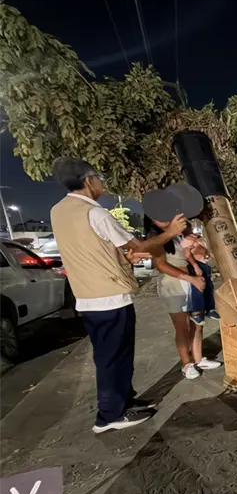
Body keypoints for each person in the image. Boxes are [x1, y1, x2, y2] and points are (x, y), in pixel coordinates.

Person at [50, 157, 187, 433]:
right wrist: (171, 232)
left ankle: (124, 401)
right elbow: (142, 246)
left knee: (110, 354)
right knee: (115, 356)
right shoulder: (95, 213)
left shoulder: (58, 211)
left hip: (88, 297)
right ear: (88, 181)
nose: (103, 182)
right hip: (109, 295)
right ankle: (110, 415)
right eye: (99, 177)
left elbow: (95, 251)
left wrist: (123, 258)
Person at [145, 217, 223, 380]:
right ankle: (186, 364)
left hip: (191, 282)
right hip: (173, 285)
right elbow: (161, 265)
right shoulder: (155, 237)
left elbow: (193, 253)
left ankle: (198, 358)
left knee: (197, 322)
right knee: (183, 326)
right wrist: (190, 278)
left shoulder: (178, 234)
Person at [181, 228, 219, 325]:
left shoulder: (198, 238)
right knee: (198, 287)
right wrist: (196, 266)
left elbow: (207, 250)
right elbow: (187, 254)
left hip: (204, 263)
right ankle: (196, 313)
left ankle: (210, 309)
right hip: (196, 264)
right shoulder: (187, 240)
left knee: (209, 287)